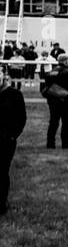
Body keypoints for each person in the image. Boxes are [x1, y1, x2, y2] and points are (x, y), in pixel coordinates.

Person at [0, 69, 26, 215]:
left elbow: (21, 118)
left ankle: (1, 203)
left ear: (3, 76)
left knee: (2, 171)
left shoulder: (14, 95)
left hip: (5, 141)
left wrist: (12, 136)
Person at [40, 53, 68, 149]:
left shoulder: (52, 71)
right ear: (65, 61)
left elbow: (47, 85)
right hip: (66, 100)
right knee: (66, 124)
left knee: (53, 122)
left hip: (53, 100)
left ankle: (50, 144)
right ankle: (65, 144)